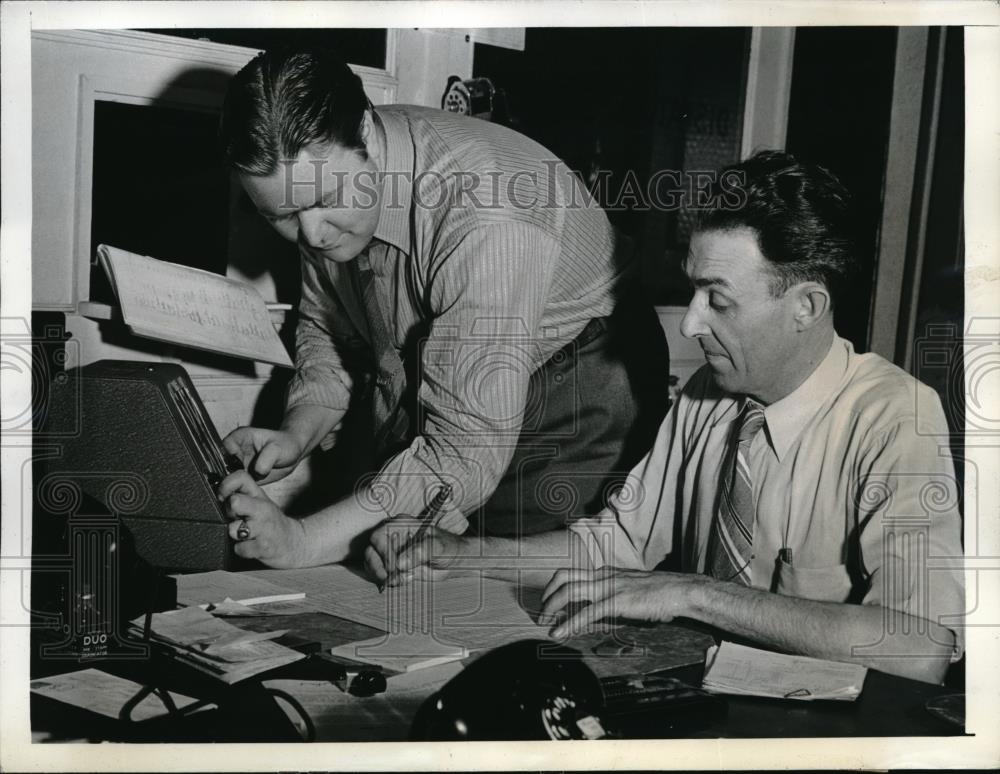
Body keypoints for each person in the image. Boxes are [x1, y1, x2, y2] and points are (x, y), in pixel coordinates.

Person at [367, 151, 966, 684]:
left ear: (806, 305)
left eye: (718, 300)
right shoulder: (710, 394)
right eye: (693, 293)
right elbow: (614, 544)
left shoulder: (895, 416)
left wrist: (693, 592)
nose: (690, 324)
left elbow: (920, 647)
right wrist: (457, 554)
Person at [215, 48, 670, 567]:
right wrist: (299, 431)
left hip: (578, 379)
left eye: (324, 200)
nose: (312, 234)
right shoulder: (321, 179)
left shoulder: (486, 210)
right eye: (284, 216)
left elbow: (460, 452)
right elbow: (327, 328)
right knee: (408, 571)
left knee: (516, 597)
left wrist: (300, 541)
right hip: (457, 383)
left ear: (365, 129)